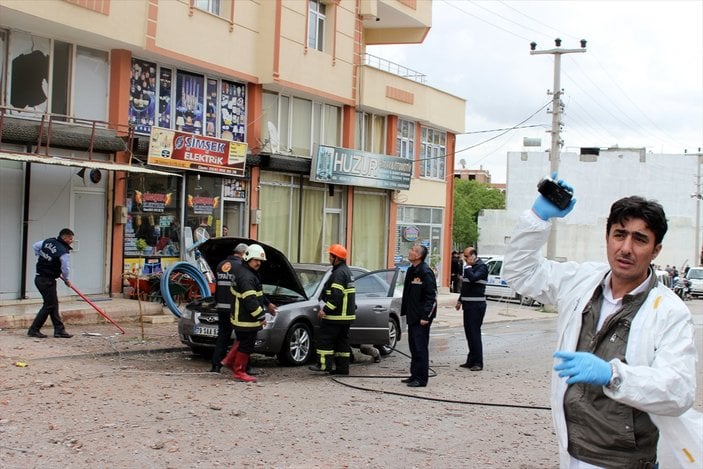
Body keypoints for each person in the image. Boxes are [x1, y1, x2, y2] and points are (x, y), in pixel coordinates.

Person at [503, 175, 699, 468]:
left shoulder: (670, 311)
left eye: (640, 239)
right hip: (572, 453)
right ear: (607, 237)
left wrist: (613, 375)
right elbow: (520, 273)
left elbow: (679, 392)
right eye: (619, 235)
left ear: (656, 250)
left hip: (625, 461)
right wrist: (538, 217)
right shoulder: (582, 281)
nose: (626, 248)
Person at [220, 244, 273, 382]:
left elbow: (258, 294)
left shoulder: (248, 273)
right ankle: (239, 371)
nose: (259, 263)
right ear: (248, 258)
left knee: (241, 341)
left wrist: (268, 304)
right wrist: (261, 316)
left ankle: (229, 361)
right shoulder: (247, 277)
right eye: (256, 260)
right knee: (246, 345)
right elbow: (250, 300)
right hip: (245, 318)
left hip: (243, 317)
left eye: (260, 261)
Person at [309, 244, 356, 375]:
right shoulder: (346, 271)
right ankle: (342, 369)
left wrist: (325, 310)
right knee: (342, 343)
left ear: (337, 258)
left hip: (336, 316)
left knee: (325, 340)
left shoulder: (339, 273)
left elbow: (336, 295)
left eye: (331, 256)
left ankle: (323, 365)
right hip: (345, 316)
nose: (329, 258)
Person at [399, 244, 437, 388]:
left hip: (422, 317)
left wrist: (425, 316)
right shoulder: (411, 270)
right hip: (412, 315)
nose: (410, 252)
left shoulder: (425, 272)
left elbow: (431, 296)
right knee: (414, 347)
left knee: (421, 348)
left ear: (419, 256)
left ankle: (421, 379)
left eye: (413, 250)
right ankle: (414, 374)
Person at [28, 228, 75, 338]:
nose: (72, 241)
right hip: (47, 281)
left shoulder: (48, 241)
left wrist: (40, 256)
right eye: (71, 239)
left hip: (40, 278)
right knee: (49, 305)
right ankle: (34, 329)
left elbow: (35, 246)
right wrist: (66, 279)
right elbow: (65, 268)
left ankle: (59, 330)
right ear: (65, 238)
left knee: (53, 304)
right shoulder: (63, 251)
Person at [210, 242, 247, 373]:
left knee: (222, 336)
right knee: (243, 339)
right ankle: (243, 368)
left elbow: (218, 286)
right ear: (243, 253)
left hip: (221, 306)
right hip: (235, 308)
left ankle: (216, 365)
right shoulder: (241, 266)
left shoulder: (221, 265)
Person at [455, 247, 488, 371]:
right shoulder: (469, 268)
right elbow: (466, 286)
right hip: (468, 305)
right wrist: (460, 300)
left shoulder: (481, 267)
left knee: (474, 333)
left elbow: (474, 278)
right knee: (469, 333)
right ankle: (471, 360)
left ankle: (478, 362)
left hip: (477, 305)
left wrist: (468, 267)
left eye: (467, 256)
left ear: (474, 256)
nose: (465, 259)